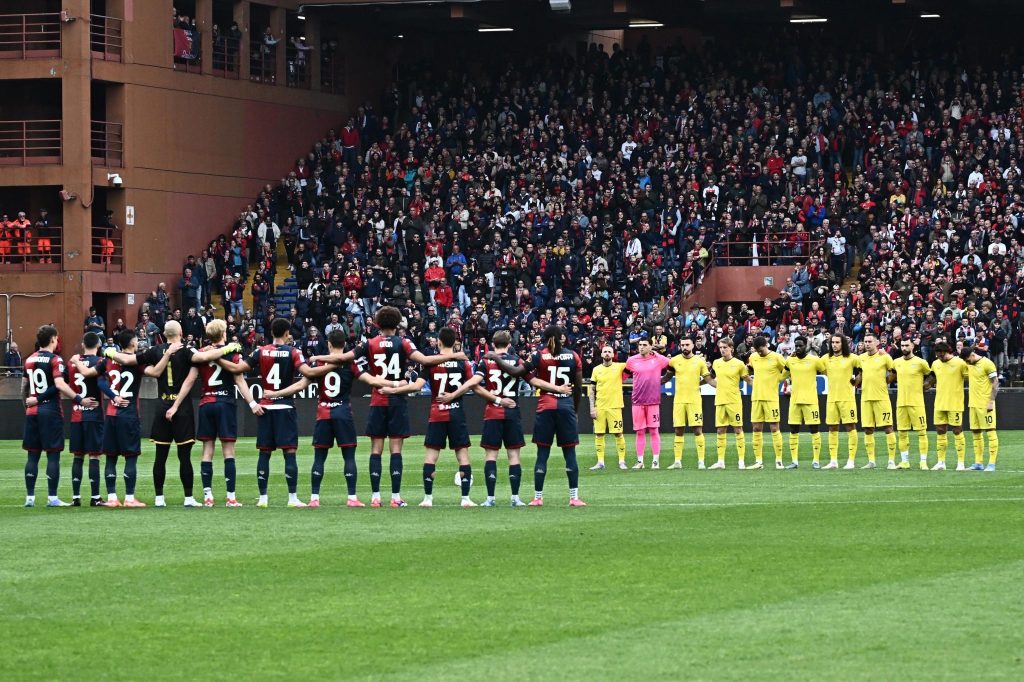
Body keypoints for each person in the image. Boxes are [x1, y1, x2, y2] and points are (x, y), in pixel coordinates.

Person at [309, 306, 460, 508]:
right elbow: (425, 360)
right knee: (396, 449)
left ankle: (375, 497)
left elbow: (345, 357)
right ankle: (395, 497)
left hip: (378, 400)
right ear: (397, 323)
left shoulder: (369, 343)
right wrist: (453, 356)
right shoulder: (404, 342)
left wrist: (319, 358)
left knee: (376, 449)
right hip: (397, 400)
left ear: (378, 324)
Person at [262, 330, 391, 507]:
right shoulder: (350, 363)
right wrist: (395, 384)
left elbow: (299, 386)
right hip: (343, 414)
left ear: (329, 344)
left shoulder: (319, 363)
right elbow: (373, 381)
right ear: (344, 345)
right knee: (349, 457)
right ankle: (352, 498)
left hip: (323, 414)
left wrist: (275, 394)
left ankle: (314, 498)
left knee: (319, 457)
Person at [219, 317, 323, 508]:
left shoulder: (260, 351)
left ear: (271, 333)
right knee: (289, 452)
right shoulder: (293, 352)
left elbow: (238, 369)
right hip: (285, 407)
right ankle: (292, 498)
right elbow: (308, 373)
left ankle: (263, 499)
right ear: (287, 333)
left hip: (265, 408)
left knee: (264, 453)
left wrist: (216, 357)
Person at [485, 325, 586, 506]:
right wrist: (575, 411)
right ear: (562, 338)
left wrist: (496, 358)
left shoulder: (539, 355)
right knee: (569, 452)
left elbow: (515, 371)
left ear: (545, 338)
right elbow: (578, 388)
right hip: (566, 407)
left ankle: (538, 497)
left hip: (545, 406)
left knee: (542, 453)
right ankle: (574, 497)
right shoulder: (573, 356)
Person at [137, 320, 219, 507]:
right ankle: (188, 498)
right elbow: (203, 357)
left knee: (160, 456)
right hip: (182, 408)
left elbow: (132, 360)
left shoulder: (155, 350)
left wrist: (110, 354)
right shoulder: (187, 350)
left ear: (164, 334)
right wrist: (228, 348)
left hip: (162, 405)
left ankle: (159, 499)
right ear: (181, 332)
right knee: (184, 456)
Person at [73, 329, 153, 507]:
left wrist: (113, 396)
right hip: (129, 414)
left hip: (111, 414)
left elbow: (95, 377)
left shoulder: (108, 360)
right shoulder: (137, 361)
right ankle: (130, 498)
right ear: (132, 343)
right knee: (131, 456)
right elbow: (155, 372)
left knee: (111, 457)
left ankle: (111, 498)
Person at [190, 319, 261, 507]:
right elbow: (239, 380)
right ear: (223, 333)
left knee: (207, 451)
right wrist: (252, 403)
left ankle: (208, 496)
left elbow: (191, 379)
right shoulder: (232, 352)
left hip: (206, 403)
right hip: (225, 403)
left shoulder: (202, 353)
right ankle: (231, 497)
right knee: (228, 451)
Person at [22, 325, 79, 507]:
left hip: (32, 412)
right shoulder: (55, 359)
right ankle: (52, 497)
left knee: (32, 455)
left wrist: (28, 404)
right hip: (50, 411)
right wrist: (78, 399)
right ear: (53, 339)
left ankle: (30, 498)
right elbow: (60, 385)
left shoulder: (29, 359)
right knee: (53, 455)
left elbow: (23, 387)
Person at [67, 332, 108, 506]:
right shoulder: (100, 362)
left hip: (77, 414)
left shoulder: (72, 362)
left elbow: (64, 385)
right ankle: (95, 497)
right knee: (94, 456)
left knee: (78, 456)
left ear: (83, 344)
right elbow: (102, 384)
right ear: (98, 345)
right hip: (94, 415)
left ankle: (76, 498)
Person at [663, 337, 714, 469]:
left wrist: (720, 385)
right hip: (679, 401)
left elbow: (708, 379)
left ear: (692, 345)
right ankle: (677, 461)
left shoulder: (699, 361)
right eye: (682, 345)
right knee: (678, 430)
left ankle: (701, 461)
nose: (685, 347)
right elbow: (667, 377)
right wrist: (653, 382)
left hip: (694, 400)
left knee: (697, 429)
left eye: (687, 344)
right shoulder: (674, 361)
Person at [625, 335, 670, 469]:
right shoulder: (631, 361)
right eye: (640, 345)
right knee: (639, 432)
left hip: (653, 401)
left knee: (654, 431)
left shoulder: (658, 359)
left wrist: (663, 379)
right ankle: (640, 462)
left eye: (645, 345)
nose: (642, 347)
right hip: (637, 401)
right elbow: (623, 375)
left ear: (651, 346)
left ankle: (655, 461)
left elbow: (672, 365)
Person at [820, 334, 860, 470]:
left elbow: (864, 368)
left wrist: (857, 381)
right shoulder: (825, 359)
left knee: (850, 427)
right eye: (833, 342)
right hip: (831, 399)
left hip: (847, 398)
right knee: (832, 428)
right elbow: (816, 367)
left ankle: (851, 460)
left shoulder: (852, 358)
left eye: (837, 342)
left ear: (843, 343)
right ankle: (833, 461)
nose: (834, 345)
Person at [709, 338, 751, 469]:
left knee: (738, 429)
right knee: (720, 430)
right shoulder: (716, 363)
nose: (722, 350)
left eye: (725, 347)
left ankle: (741, 461)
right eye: (721, 347)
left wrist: (760, 387)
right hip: (720, 401)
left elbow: (748, 380)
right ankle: (720, 461)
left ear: (731, 348)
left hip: (734, 401)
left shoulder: (739, 364)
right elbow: (710, 378)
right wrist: (697, 383)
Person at [857, 333, 897, 469]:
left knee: (888, 427)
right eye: (865, 341)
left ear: (876, 342)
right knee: (868, 429)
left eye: (870, 341)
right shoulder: (861, 358)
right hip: (866, 398)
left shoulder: (885, 357)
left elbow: (894, 372)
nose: (867, 344)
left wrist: (885, 382)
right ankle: (871, 461)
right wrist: (854, 382)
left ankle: (891, 461)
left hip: (881, 397)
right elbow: (860, 374)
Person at [747, 335, 786, 469]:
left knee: (774, 428)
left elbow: (787, 371)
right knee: (756, 428)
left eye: (761, 350)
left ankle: (779, 460)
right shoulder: (753, 357)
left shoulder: (777, 357)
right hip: (756, 397)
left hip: (771, 398)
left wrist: (779, 380)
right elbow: (750, 369)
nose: (759, 353)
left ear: (766, 345)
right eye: (757, 351)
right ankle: (758, 461)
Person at [892, 338, 931, 470]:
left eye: (906, 345)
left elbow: (931, 375)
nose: (904, 348)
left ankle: (923, 462)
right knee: (902, 433)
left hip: (916, 403)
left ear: (912, 346)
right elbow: (891, 375)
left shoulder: (921, 362)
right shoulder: (896, 362)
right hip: (901, 403)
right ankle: (905, 462)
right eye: (902, 345)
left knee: (922, 432)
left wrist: (927, 385)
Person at [784, 336, 821, 469]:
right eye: (796, 346)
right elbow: (782, 375)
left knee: (814, 429)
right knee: (793, 430)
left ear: (806, 346)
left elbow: (826, 371)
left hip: (810, 401)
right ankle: (794, 461)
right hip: (794, 401)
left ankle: (816, 460)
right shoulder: (790, 360)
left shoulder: (814, 360)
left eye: (800, 345)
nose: (798, 348)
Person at [961, 345, 999, 471]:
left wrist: (991, 401)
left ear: (972, 355)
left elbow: (995, 383)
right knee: (976, 433)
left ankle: (992, 464)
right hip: (973, 404)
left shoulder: (987, 363)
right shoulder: (969, 364)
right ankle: (978, 463)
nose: (967, 362)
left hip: (985, 404)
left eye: (967, 360)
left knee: (990, 432)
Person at [930, 340, 967, 471]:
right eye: (938, 355)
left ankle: (961, 463)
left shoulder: (960, 363)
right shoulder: (935, 364)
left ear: (947, 351)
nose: (940, 357)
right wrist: (925, 385)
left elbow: (970, 377)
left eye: (942, 354)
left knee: (957, 430)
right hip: (939, 403)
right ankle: (941, 462)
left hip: (955, 403)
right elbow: (932, 378)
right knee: (940, 430)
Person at [589, 345, 628, 470]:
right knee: (599, 434)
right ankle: (600, 462)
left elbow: (634, 364)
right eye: (604, 351)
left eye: (609, 352)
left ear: (613, 354)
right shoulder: (596, 370)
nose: (607, 353)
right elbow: (592, 390)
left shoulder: (620, 367)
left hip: (615, 406)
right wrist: (592, 408)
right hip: (600, 407)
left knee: (618, 433)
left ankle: (622, 461)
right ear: (601, 354)